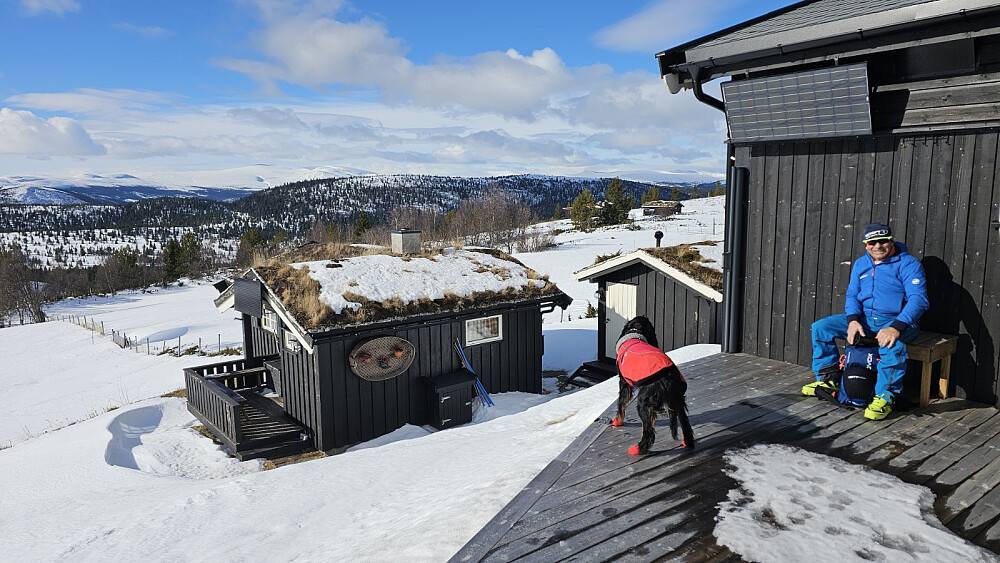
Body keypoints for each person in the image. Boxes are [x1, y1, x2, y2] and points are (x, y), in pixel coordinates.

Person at [802, 222, 929, 420]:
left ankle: (885, 397)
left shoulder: (908, 264)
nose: (877, 246)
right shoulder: (861, 264)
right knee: (821, 328)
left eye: (882, 241)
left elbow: (919, 300)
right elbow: (852, 295)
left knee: (891, 345)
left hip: (898, 321)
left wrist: (895, 327)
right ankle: (829, 379)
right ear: (866, 244)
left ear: (890, 241)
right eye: (872, 242)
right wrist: (852, 320)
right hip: (865, 319)